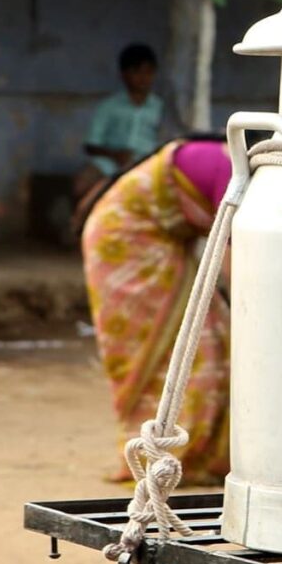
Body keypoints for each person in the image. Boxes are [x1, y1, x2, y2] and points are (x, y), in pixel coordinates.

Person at [81, 135, 234, 483]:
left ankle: (203, 455)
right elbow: (237, 270)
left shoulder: (232, 163)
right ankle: (165, 456)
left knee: (214, 338)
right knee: (189, 350)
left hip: (164, 244)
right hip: (125, 243)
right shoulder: (234, 175)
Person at [77, 43, 167, 201]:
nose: (143, 78)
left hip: (149, 165)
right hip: (110, 163)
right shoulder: (109, 106)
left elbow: (168, 143)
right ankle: (81, 217)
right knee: (81, 185)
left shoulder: (161, 108)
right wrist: (115, 155)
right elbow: (90, 145)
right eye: (136, 72)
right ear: (123, 74)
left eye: (148, 72)